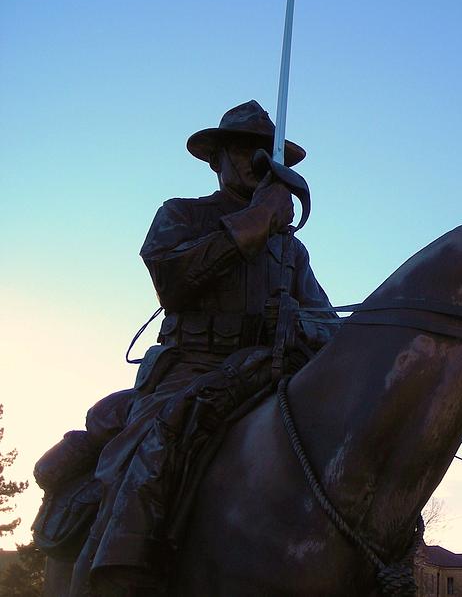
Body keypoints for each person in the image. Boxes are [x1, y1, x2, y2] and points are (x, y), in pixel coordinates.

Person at [37, 100, 337, 595]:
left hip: (268, 374)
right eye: (242, 149)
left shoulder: (290, 248)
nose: (254, 160)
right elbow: (173, 281)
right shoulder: (182, 215)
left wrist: (313, 330)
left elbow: (324, 321)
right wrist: (256, 219)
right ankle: (121, 566)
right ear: (216, 159)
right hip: (190, 370)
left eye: (265, 151)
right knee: (158, 437)